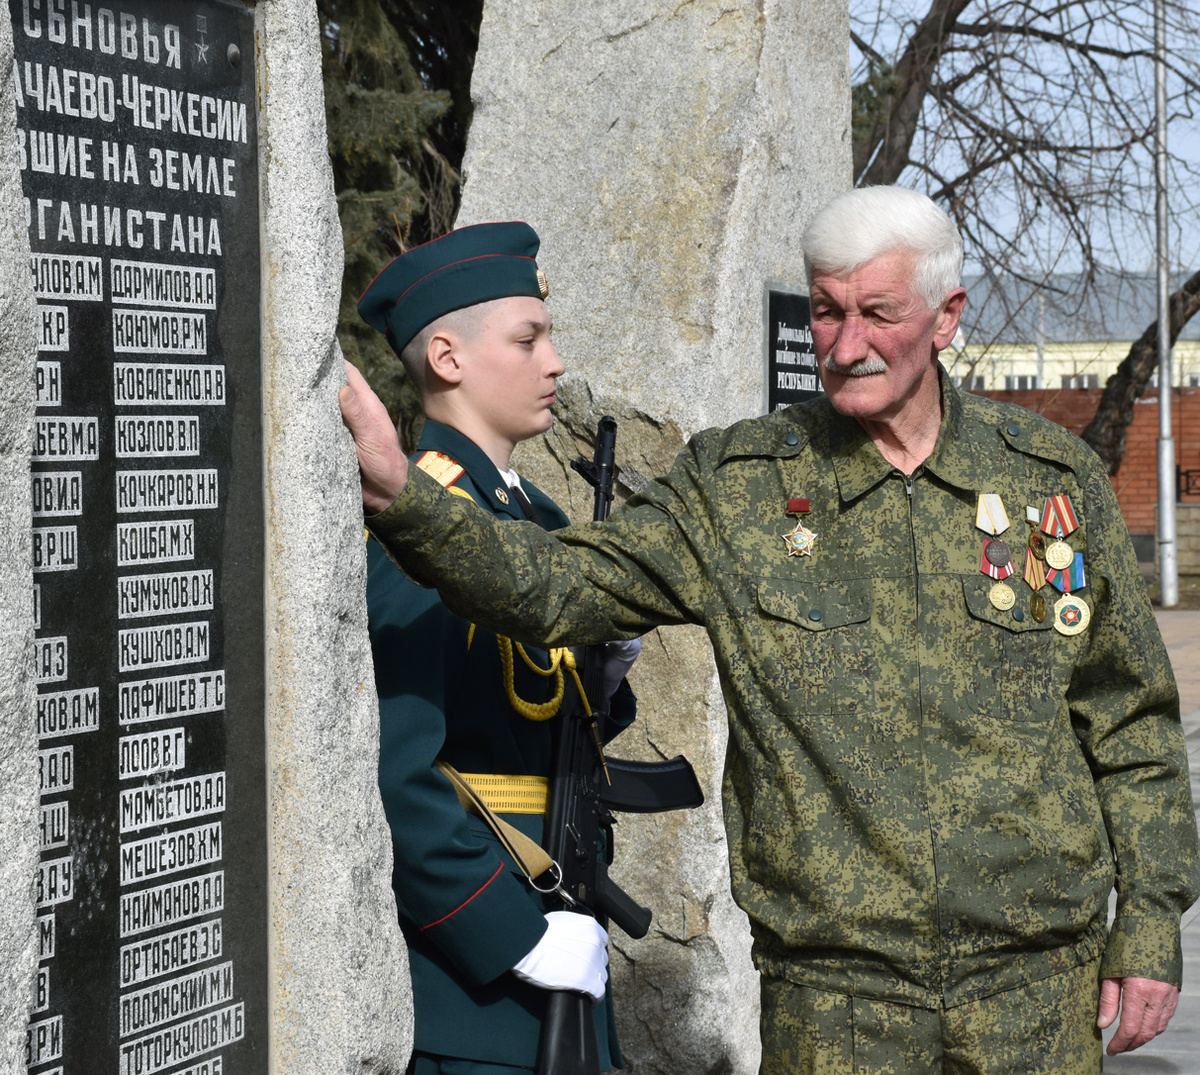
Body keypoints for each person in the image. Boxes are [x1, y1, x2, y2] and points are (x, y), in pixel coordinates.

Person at [343, 188, 1200, 1074]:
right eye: (827, 311)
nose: (846, 342)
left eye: (877, 312)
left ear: (947, 318)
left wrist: (1146, 925)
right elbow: (553, 583)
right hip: (836, 1005)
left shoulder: (1049, 482)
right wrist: (404, 495)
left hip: (1035, 991)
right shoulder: (741, 484)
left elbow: (1129, 721)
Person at [355, 221, 639, 1074]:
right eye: (529, 338)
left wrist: (606, 685)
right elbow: (394, 765)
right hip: (478, 985)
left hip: (562, 921)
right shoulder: (418, 525)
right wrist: (509, 934)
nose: (554, 361)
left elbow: (533, 719)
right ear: (447, 357)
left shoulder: (537, 520)